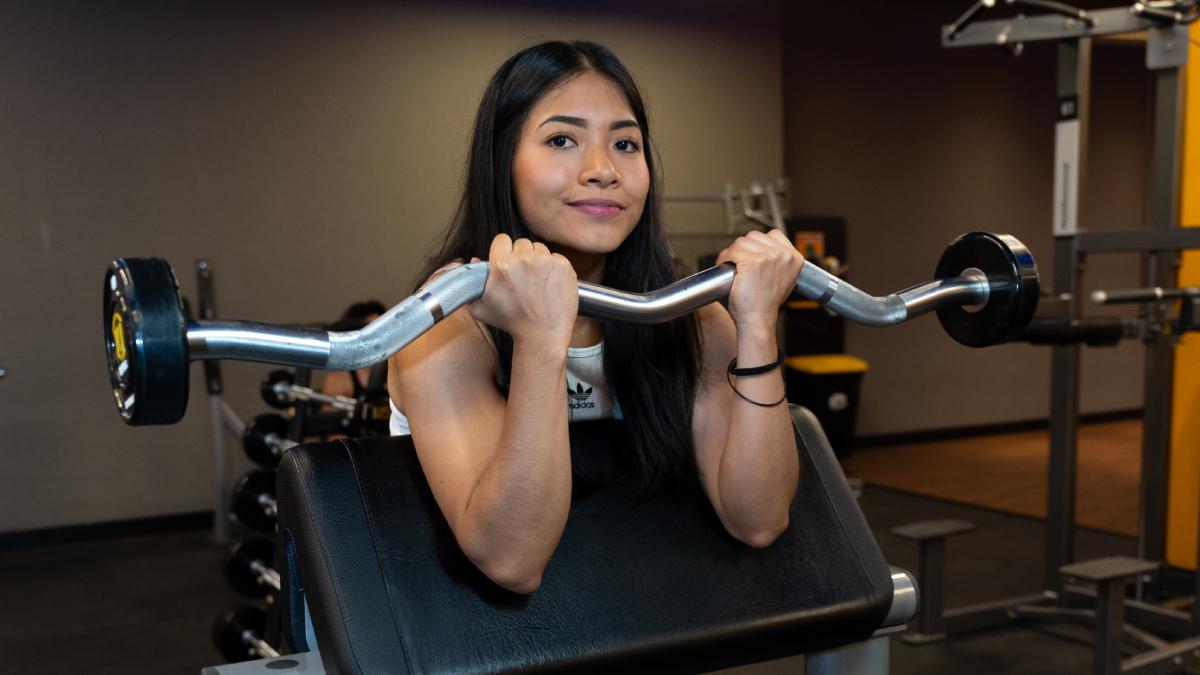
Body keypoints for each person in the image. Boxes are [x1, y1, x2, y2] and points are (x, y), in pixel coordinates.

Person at [387, 41, 801, 595]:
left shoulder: (688, 320)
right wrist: (539, 340)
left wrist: (755, 325)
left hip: (637, 617)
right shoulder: (448, 327)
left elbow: (759, 520)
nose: (603, 170)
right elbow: (512, 560)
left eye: (625, 144)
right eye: (562, 139)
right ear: (501, 161)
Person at [321, 300, 387, 400]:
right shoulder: (339, 378)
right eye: (371, 331)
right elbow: (329, 415)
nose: (378, 337)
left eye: (381, 329)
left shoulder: (399, 369)